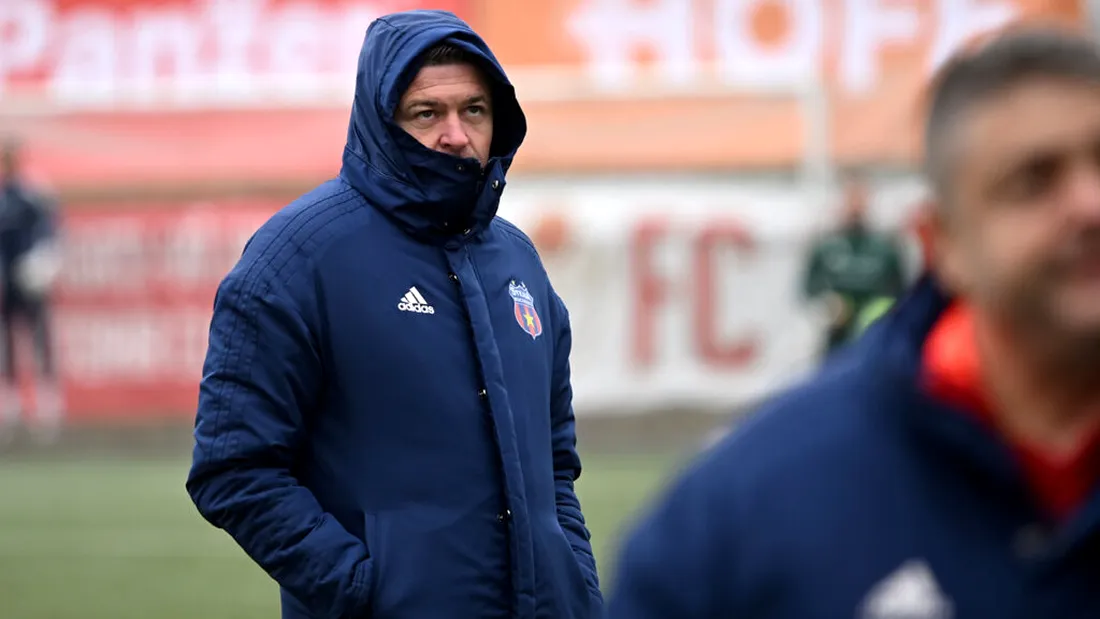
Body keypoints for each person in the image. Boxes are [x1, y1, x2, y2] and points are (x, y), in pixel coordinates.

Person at [607, 25, 1100, 619]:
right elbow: (814, 285)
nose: (1090, 206)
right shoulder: (741, 517)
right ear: (943, 243)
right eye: (1033, 181)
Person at [186, 9, 602, 619]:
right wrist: (366, 592)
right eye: (426, 114)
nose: (455, 134)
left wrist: (578, 588)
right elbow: (232, 467)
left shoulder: (518, 261)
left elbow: (557, 464)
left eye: (474, 110)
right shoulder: (295, 258)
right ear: (381, 121)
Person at [801, 174, 909, 358]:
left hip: (876, 339)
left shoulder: (885, 247)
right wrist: (829, 305)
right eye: (851, 198)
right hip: (836, 340)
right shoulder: (825, 247)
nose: (855, 205)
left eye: (860, 198)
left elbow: (901, 292)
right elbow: (809, 290)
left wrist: (882, 311)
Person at [0, 137, 63, 446]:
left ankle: (47, 407)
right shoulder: (4, 198)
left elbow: (50, 231)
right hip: (7, 281)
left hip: (31, 278)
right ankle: (10, 407)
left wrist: (42, 262)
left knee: (39, 340)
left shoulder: (33, 194)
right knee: (8, 343)